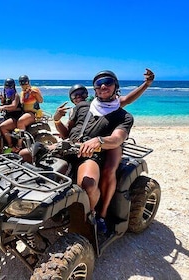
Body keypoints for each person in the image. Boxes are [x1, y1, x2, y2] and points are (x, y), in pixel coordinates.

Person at [52, 69, 155, 233]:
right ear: (94, 89)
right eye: (98, 84)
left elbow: (117, 138)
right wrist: (56, 120)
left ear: (116, 86)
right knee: (31, 156)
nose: (103, 86)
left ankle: (100, 214)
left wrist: (146, 84)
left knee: (108, 171)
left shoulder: (121, 113)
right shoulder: (84, 107)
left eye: (108, 82)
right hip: (73, 148)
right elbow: (67, 134)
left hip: (103, 146)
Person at [15, 74, 43, 151]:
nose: (23, 84)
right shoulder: (22, 93)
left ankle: (19, 145)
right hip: (25, 113)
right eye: (21, 83)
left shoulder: (34, 89)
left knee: (21, 121)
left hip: (33, 113)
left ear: (28, 82)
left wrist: (35, 93)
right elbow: (21, 104)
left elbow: (41, 100)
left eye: (25, 82)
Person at [0, 78, 23, 153]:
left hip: (16, 118)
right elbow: (4, 107)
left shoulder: (15, 95)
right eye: (6, 87)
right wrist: (2, 101)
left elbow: (14, 106)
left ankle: (11, 146)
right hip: (8, 117)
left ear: (13, 87)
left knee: (2, 127)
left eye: (10, 87)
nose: (8, 89)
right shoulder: (7, 96)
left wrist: (3, 107)